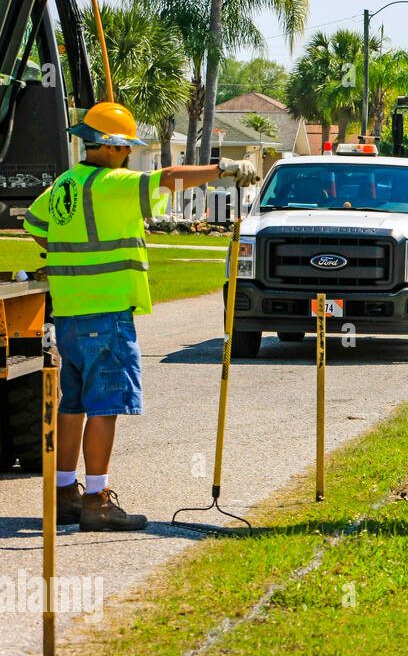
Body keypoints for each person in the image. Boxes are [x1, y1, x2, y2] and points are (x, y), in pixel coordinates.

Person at [23, 101, 260, 531]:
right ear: (113, 147)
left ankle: (64, 494)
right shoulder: (113, 183)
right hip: (107, 312)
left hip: (71, 314)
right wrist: (222, 169)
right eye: (127, 146)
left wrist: (64, 247)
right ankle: (95, 501)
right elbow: (168, 178)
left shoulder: (65, 184)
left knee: (72, 404)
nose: (131, 153)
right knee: (105, 407)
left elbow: (34, 224)